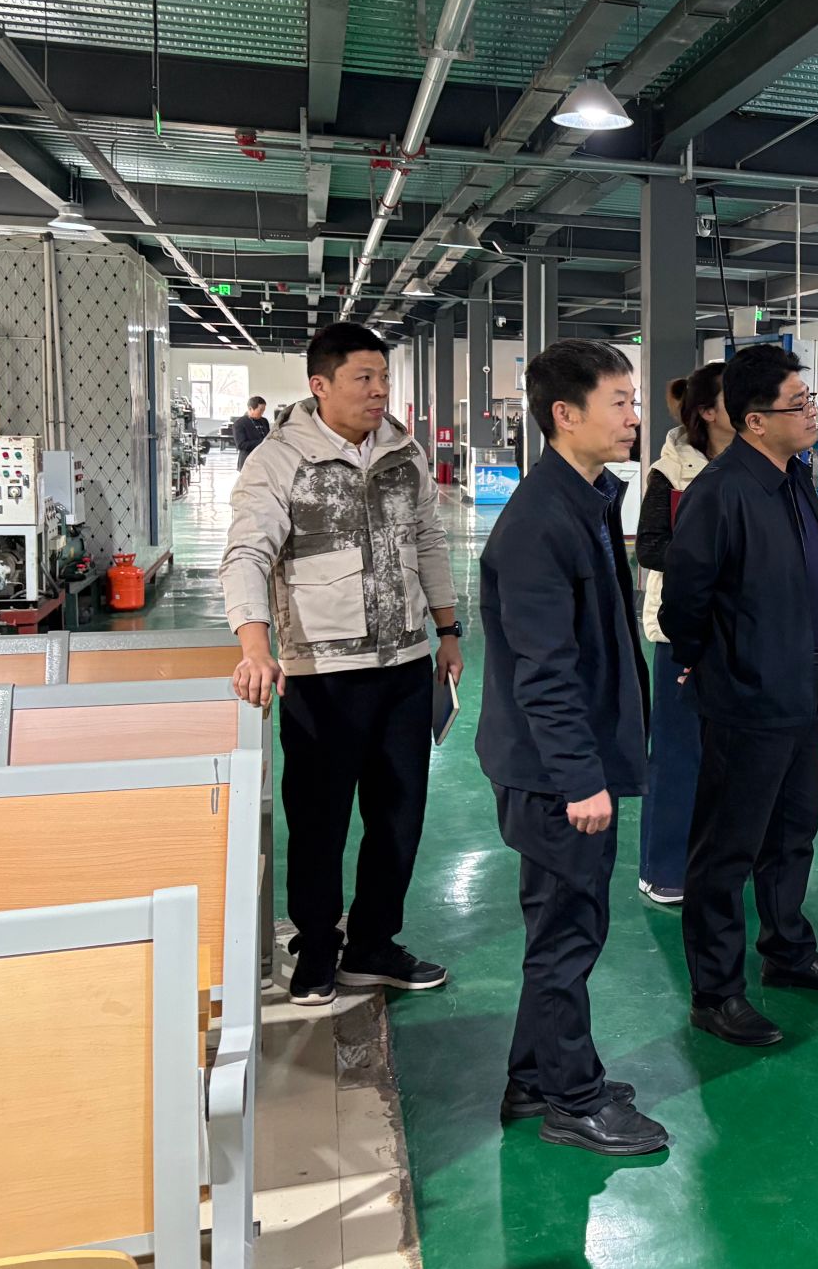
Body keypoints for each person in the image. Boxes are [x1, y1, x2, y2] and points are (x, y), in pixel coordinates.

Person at [221, 323, 461, 1006]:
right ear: (320, 385)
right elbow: (247, 554)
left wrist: (447, 630)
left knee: (398, 815)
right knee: (319, 819)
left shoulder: (404, 452)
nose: (378, 390)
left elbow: (428, 541)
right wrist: (254, 645)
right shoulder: (278, 460)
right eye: (364, 378)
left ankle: (373, 945)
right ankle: (318, 948)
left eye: (383, 377)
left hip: (405, 663)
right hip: (322, 675)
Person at [475, 340, 666, 1157]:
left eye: (633, 400)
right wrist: (581, 779)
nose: (634, 416)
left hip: (568, 765)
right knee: (567, 935)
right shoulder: (538, 525)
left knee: (562, 926)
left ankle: (534, 1077)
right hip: (555, 776)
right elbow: (543, 670)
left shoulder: (584, 501)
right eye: (619, 402)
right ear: (565, 414)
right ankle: (572, 1100)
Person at [659, 344, 818, 1048]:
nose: (812, 414)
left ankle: (788, 951)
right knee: (727, 849)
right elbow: (684, 601)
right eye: (798, 404)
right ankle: (715, 993)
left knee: (792, 831)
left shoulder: (792, 477)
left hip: (807, 683)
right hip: (750, 693)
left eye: (811, 400)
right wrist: (708, 661)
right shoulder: (721, 492)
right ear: (754, 421)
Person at [634, 361, 733, 906]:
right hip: (682, 630)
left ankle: (720, 859)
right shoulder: (669, 472)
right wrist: (717, 562)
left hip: (741, 631)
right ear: (708, 412)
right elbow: (650, 546)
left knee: (731, 754)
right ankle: (664, 867)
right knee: (677, 752)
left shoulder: (759, 464)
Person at [232, 396, 270, 468]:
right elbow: (241, 445)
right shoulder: (239, 423)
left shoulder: (264, 421)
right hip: (248, 461)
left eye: (263, 410)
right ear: (250, 409)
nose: (262, 413)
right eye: (260, 410)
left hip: (263, 461)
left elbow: (268, 436)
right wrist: (263, 441)